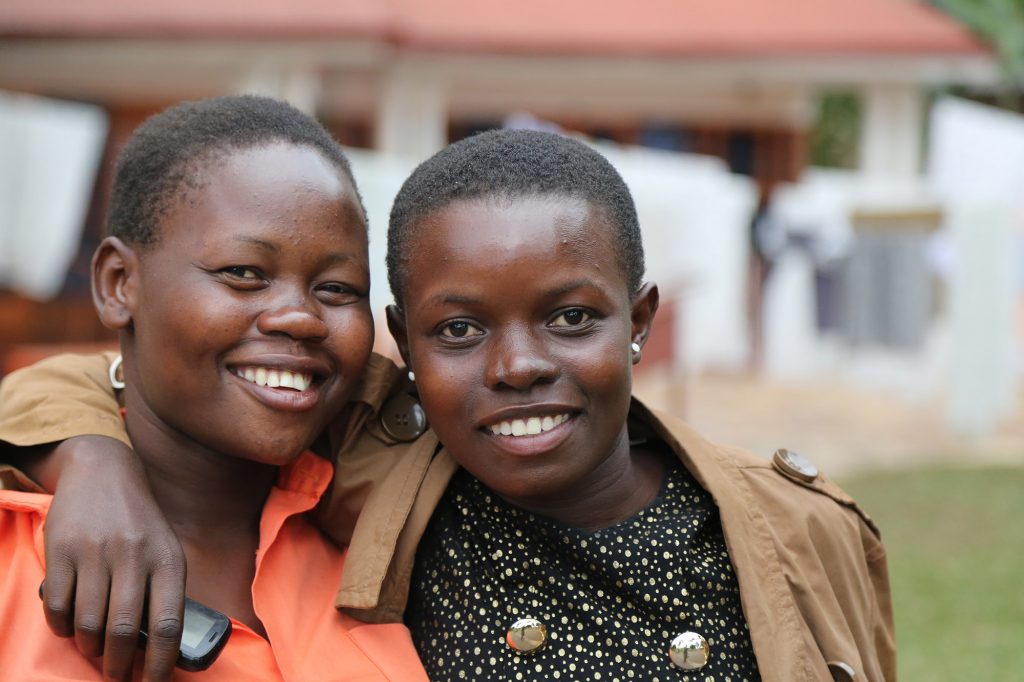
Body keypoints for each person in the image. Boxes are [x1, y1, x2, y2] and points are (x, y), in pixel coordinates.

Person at [1, 130, 895, 681]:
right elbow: (134, 381)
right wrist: (89, 457)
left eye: (573, 317)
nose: (515, 368)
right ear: (410, 344)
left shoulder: (789, 529)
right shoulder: (399, 464)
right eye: (458, 331)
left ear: (641, 319)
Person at [0, 95, 427, 681]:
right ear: (119, 283)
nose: (299, 318)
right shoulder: (16, 553)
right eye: (244, 274)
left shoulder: (393, 551)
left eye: (337, 288)